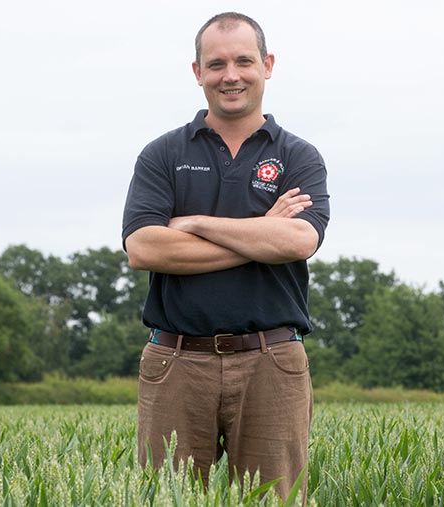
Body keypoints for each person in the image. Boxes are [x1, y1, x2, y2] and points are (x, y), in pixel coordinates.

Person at [121, 11, 330, 502]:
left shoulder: (300, 156)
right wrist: (260, 234)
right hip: (174, 358)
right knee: (164, 499)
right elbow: (143, 247)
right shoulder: (162, 154)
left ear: (268, 65)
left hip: (272, 359)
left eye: (243, 61)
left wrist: (194, 224)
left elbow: (298, 242)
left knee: (275, 501)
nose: (230, 75)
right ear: (198, 72)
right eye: (216, 64)